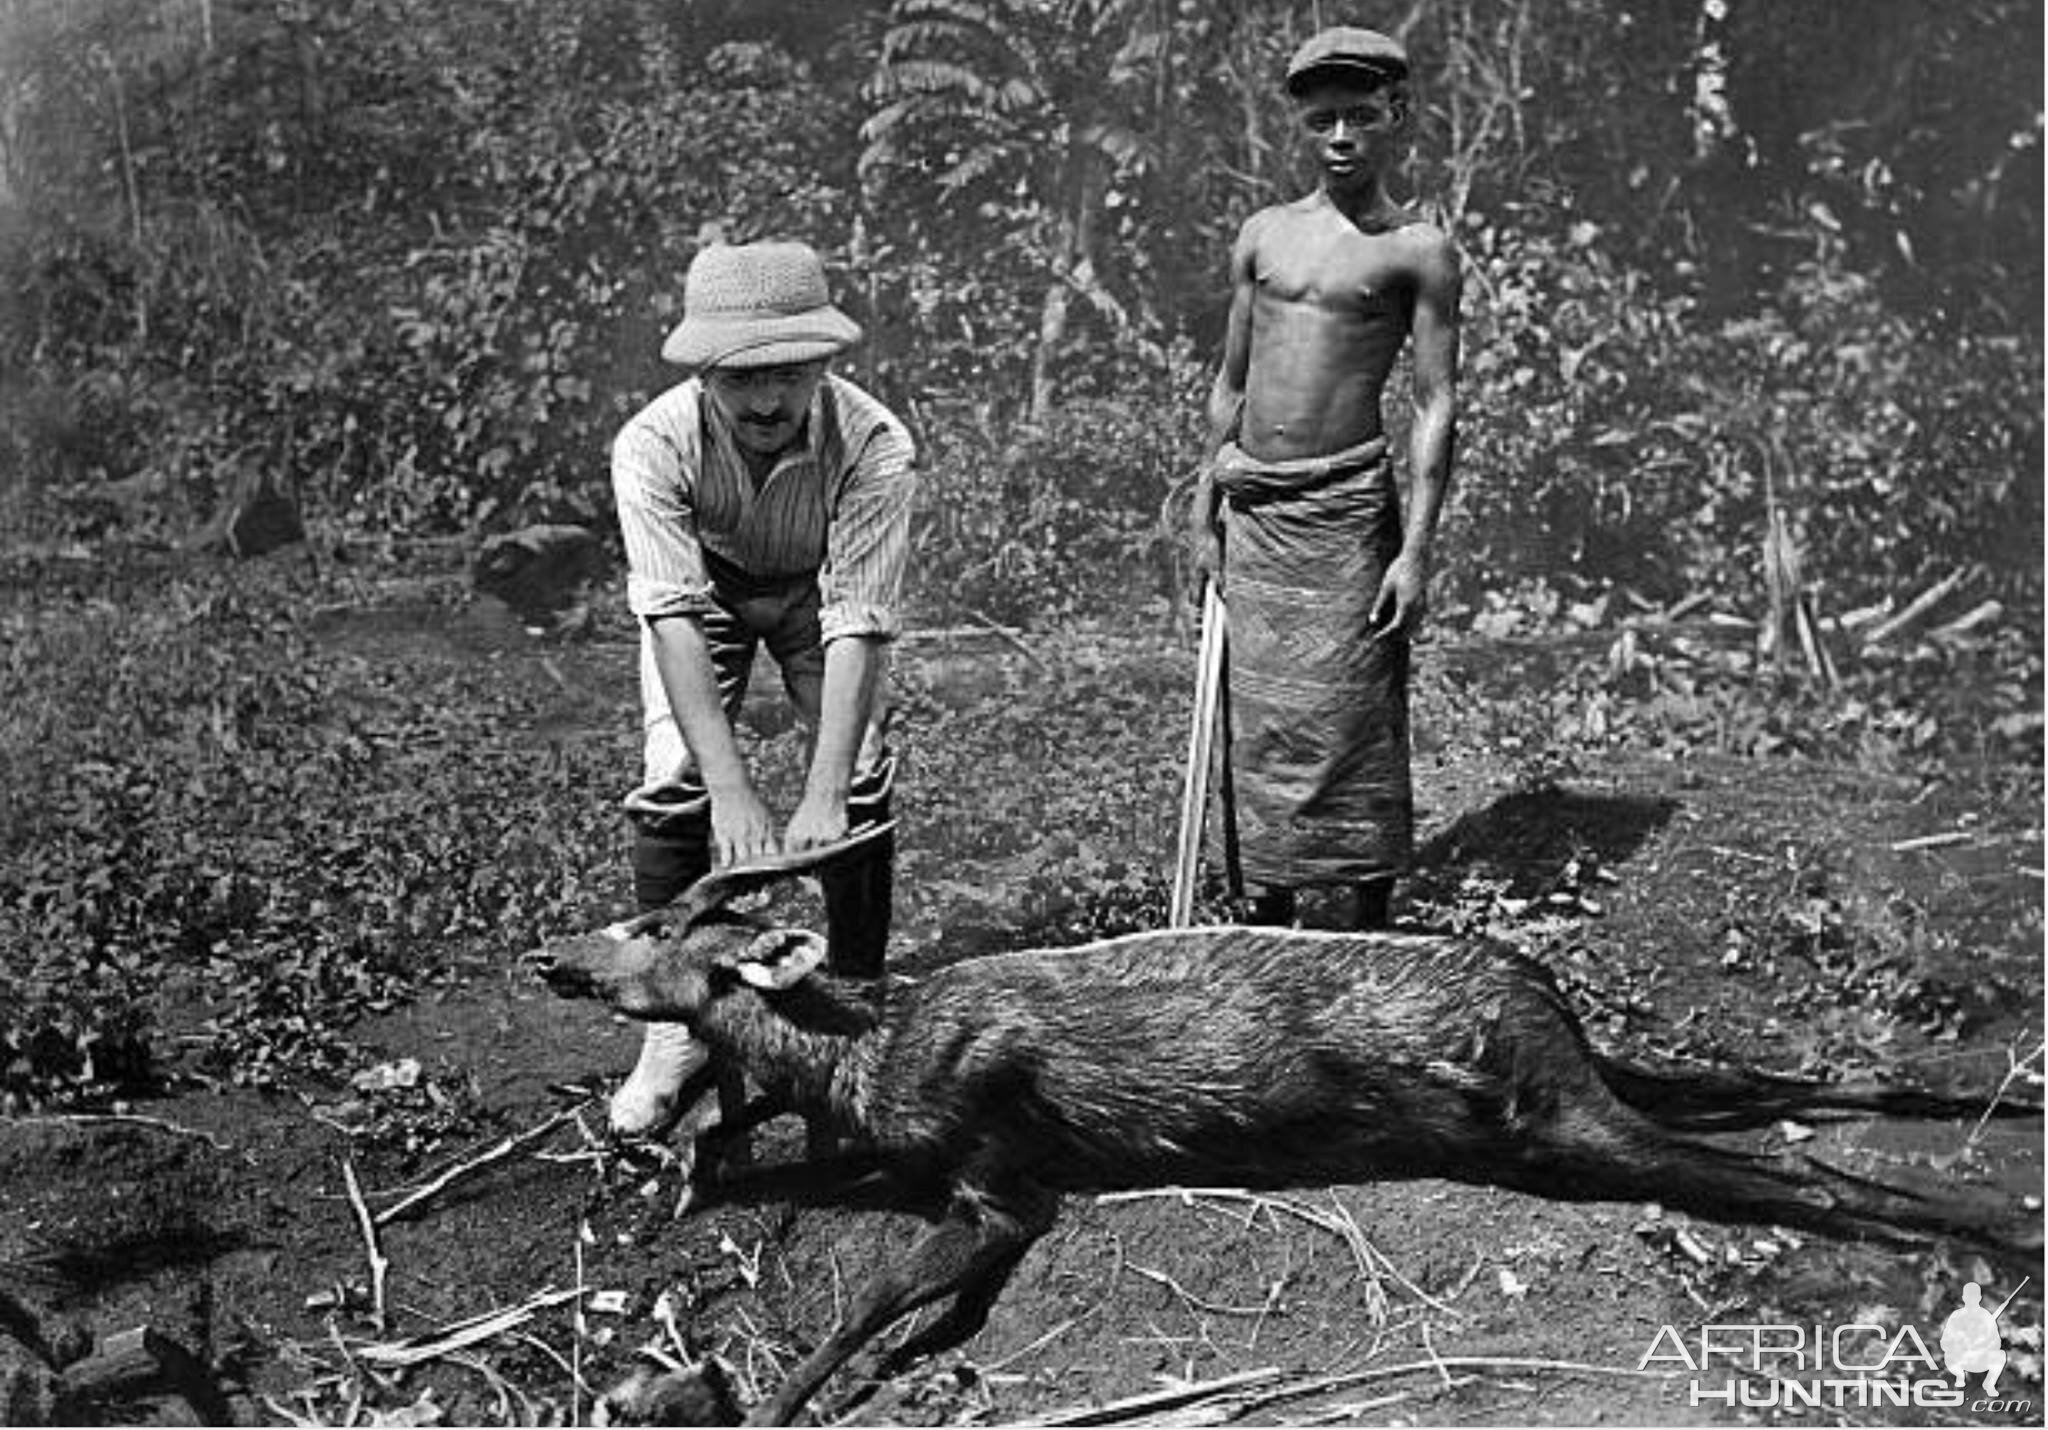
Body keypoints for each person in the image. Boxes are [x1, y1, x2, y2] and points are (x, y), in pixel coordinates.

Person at [606, 239, 916, 1135]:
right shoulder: (653, 444)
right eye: (741, 377)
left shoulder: (874, 442)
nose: (769, 399)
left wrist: (822, 794)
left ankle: (859, 1007)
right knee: (674, 775)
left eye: (790, 371)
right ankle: (675, 1028)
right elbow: (670, 617)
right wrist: (735, 792)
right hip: (708, 595)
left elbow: (858, 617)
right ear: (704, 368)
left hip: (819, 598)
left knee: (858, 773)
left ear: (824, 360)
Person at [1187, 25, 1461, 931]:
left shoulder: (1416, 251)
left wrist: (1415, 553)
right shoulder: (1264, 236)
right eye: (1322, 122)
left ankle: (1367, 923)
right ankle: (1270, 919)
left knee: (1353, 710)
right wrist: (1202, 506)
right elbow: (1230, 380)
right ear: (1300, 129)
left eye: (1361, 117)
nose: (1340, 138)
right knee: (1260, 720)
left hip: (1344, 512)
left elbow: (1432, 405)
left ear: (1398, 118)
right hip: (1257, 506)